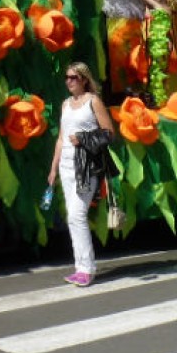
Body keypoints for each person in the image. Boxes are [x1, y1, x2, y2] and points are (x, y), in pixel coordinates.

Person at [47, 62, 115, 287]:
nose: (69, 81)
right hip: (66, 165)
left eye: (73, 77)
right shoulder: (65, 104)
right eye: (66, 77)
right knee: (72, 217)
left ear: (84, 79)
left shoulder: (93, 102)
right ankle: (80, 267)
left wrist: (84, 139)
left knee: (77, 215)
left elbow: (108, 133)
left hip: (85, 166)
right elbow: (61, 138)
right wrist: (53, 168)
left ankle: (86, 269)